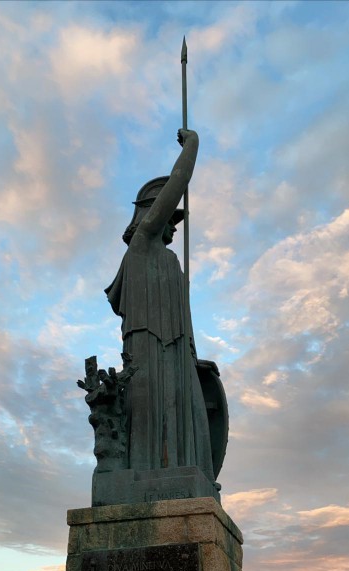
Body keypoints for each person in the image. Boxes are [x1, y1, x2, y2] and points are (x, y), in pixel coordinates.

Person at [105, 129, 216, 485]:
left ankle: (189, 477)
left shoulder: (169, 260)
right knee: (151, 419)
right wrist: (193, 146)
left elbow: (183, 316)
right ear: (153, 215)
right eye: (169, 217)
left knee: (189, 418)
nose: (172, 225)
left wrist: (193, 356)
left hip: (177, 348)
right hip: (147, 345)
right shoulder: (141, 244)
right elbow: (177, 185)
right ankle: (146, 482)